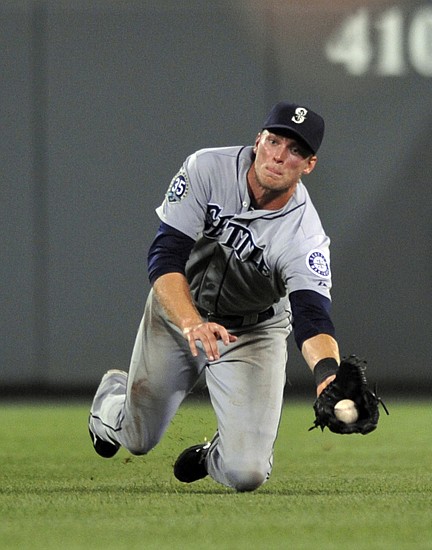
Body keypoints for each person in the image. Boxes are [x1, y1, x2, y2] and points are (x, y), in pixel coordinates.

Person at [88, 101, 342, 492]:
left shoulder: (304, 235)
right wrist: (190, 321)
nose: (278, 155)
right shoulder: (207, 168)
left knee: (247, 473)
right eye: (274, 140)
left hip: (252, 333)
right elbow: (165, 255)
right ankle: (110, 401)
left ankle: (212, 455)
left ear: (309, 165)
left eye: (295, 151)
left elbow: (312, 316)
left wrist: (327, 376)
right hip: (180, 312)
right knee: (137, 438)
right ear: (258, 140)